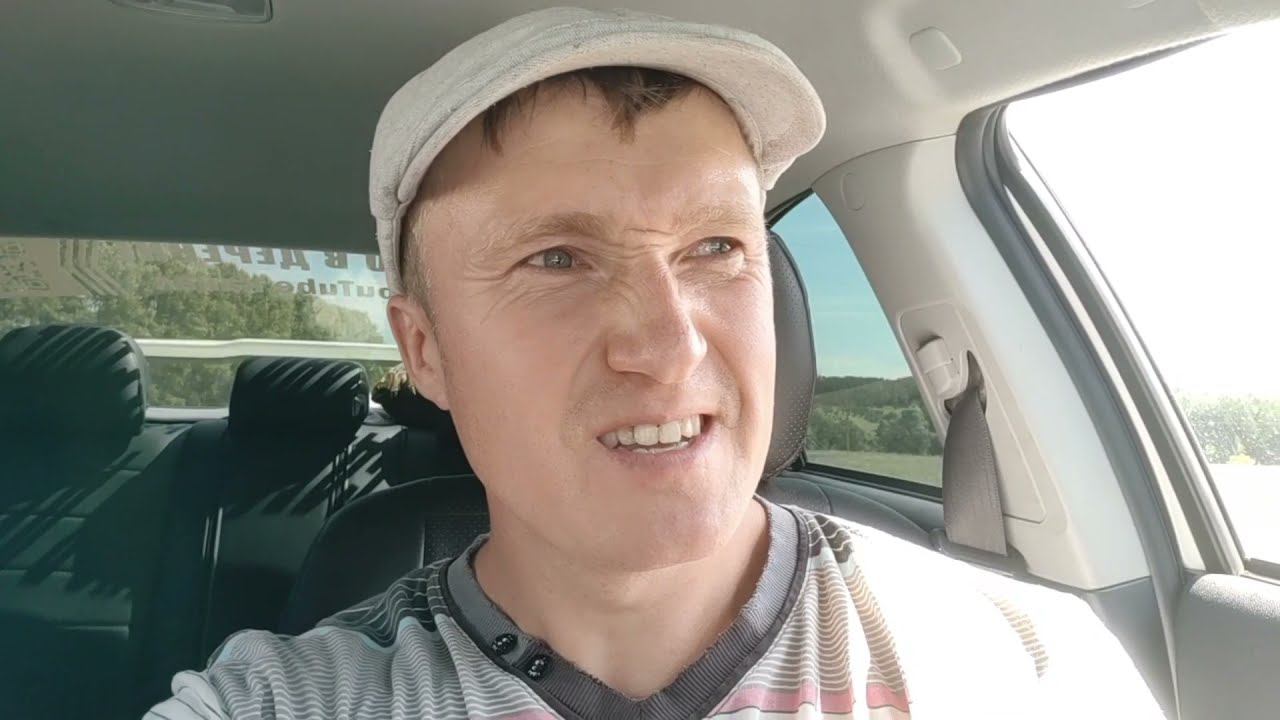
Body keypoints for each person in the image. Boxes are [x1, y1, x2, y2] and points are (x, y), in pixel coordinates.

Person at [147, 7, 1164, 719]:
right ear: (426, 351)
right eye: (557, 259)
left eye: (716, 247)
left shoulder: (1015, 667)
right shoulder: (278, 702)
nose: (671, 344)